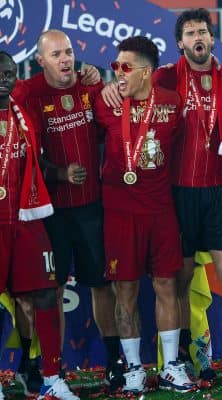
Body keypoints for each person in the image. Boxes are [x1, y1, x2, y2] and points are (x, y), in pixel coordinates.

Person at [101, 8, 222, 380]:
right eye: (189, 33)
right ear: (180, 43)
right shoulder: (166, 77)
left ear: (211, 37)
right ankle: (183, 357)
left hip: (218, 192)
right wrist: (107, 84)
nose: (197, 37)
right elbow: (129, 87)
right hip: (177, 196)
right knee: (178, 281)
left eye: (202, 31)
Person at [10, 29, 122, 392]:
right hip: (48, 214)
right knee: (47, 292)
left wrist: (99, 77)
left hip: (91, 208)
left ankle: (114, 360)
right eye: (56, 54)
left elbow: (117, 130)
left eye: (70, 52)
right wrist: (59, 173)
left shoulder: (92, 88)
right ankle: (39, 367)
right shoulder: (27, 94)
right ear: (40, 61)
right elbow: (23, 146)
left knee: (102, 286)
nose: (65, 59)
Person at [93, 36, 194, 394]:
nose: (118, 73)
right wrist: (103, 81)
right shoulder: (104, 103)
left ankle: (169, 366)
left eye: (125, 67)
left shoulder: (170, 101)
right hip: (120, 214)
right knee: (127, 291)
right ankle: (134, 367)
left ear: (146, 71)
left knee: (167, 285)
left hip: (160, 210)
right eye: (114, 67)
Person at [0, 50, 79, 400]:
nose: (5, 78)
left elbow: (36, 158)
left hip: (28, 217)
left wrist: (60, 173)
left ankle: (50, 376)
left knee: (47, 293)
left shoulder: (25, 111)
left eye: (10, 72)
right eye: (0, 72)